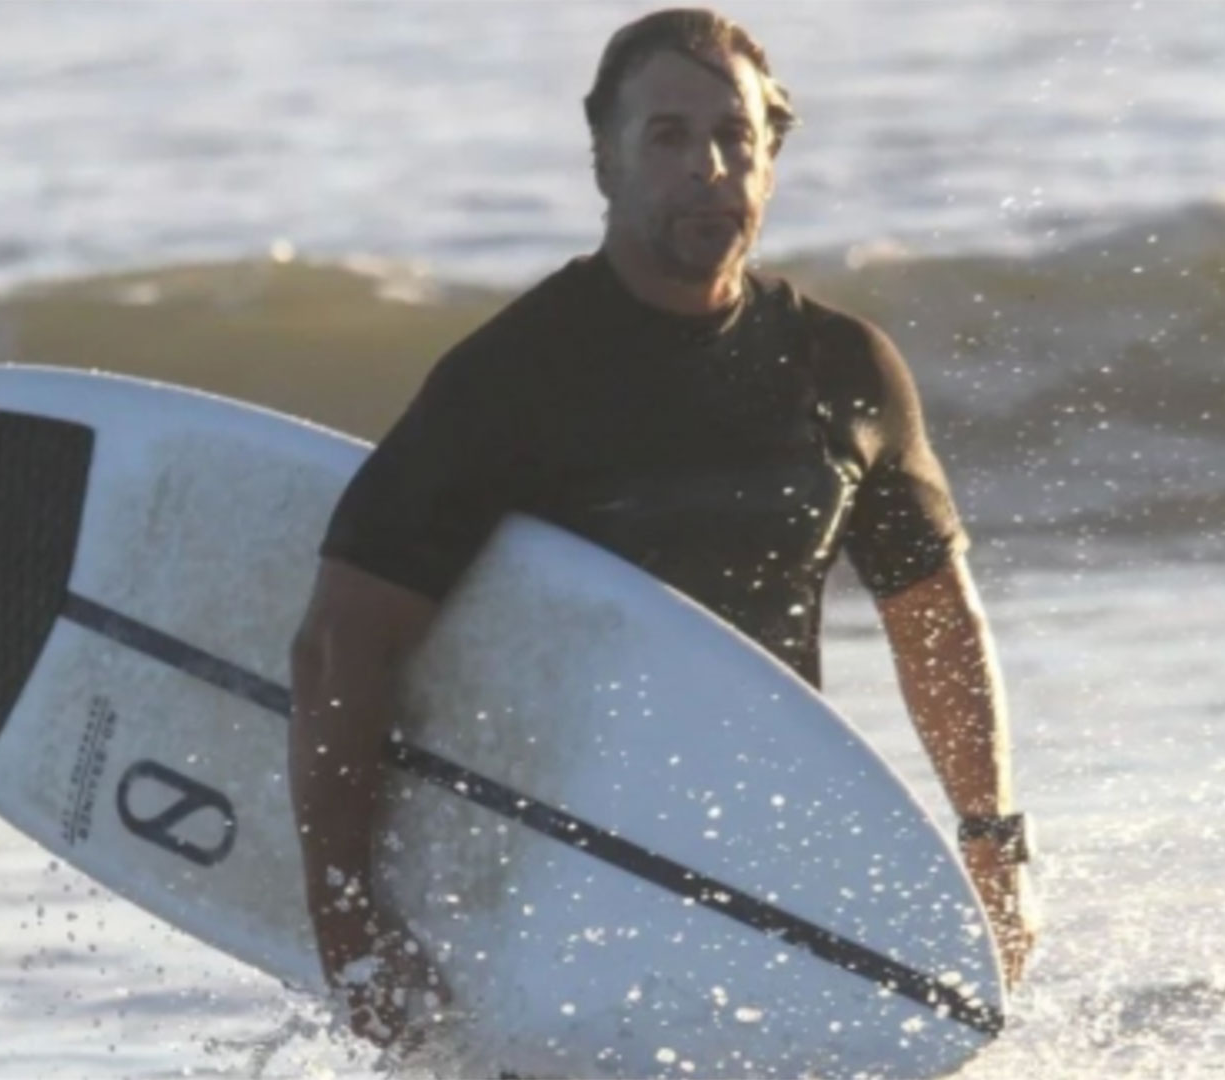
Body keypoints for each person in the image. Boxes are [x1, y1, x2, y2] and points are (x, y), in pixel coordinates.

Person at [288, 7, 1037, 1051]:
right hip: (560, 874)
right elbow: (343, 642)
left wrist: (993, 851)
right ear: (606, 161)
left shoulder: (840, 370)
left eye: (737, 138)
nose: (710, 168)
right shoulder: (512, 381)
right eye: (669, 137)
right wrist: (350, 918)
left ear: (773, 155)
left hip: (767, 869)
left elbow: (935, 621)